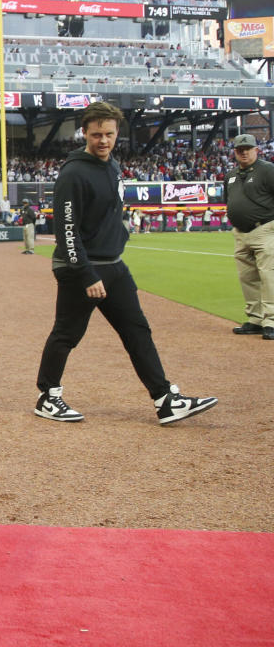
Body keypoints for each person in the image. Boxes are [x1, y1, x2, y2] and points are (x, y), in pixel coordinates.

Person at [34, 102, 217, 425]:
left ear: (117, 132)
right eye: (96, 135)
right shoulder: (73, 173)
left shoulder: (113, 166)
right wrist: (87, 273)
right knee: (67, 334)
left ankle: (165, 400)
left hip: (114, 266)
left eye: (109, 134)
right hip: (81, 269)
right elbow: (65, 230)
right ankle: (48, 396)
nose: (103, 141)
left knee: (137, 331)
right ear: (84, 133)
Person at [223, 134, 274, 339]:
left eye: (247, 148)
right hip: (240, 233)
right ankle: (255, 319)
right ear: (234, 152)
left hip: (265, 229)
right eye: (239, 149)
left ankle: (271, 321)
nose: (243, 152)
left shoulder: (268, 170)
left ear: (256, 149)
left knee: (269, 276)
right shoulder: (231, 175)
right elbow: (230, 200)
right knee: (247, 277)